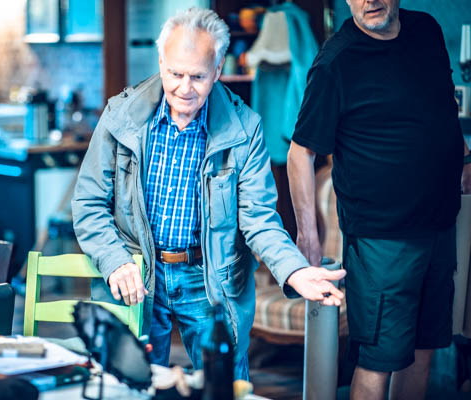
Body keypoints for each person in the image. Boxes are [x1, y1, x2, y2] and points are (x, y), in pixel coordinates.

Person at [71, 7, 345, 380]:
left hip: (209, 278)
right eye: (175, 74)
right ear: (161, 63)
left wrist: (293, 269)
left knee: (225, 385)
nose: (185, 88)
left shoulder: (245, 129)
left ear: (217, 71)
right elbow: (89, 203)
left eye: (198, 76)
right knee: (129, 385)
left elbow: (259, 219)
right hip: (137, 271)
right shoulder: (121, 116)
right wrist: (115, 260)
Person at [287, 1, 471, 399]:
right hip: (381, 242)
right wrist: (308, 236)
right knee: (378, 363)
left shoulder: (427, 31)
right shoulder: (336, 62)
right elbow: (300, 152)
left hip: (440, 224)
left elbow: (443, 108)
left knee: (423, 351)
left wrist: (465, 158)